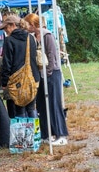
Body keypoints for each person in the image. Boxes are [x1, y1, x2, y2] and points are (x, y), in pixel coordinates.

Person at [25, 12, 69, 146]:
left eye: (27, 24)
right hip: (40, 75)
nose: (26, 27)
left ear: (32, 24)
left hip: (52, 74)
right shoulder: (33, 37)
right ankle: (45, 134)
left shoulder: (47, 35)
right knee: (42, 106)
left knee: (54, 105)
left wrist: (48, 72)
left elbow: (52, 57)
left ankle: (61, 135)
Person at [0, 14, 40, 118]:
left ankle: (21, 134)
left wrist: (4, 82)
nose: (5, 31)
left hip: (17, 82)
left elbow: (7, 64)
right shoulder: (30, 38)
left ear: (12, 25)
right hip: (33, 79)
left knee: (19, 110)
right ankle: (35, 133)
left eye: (6, 28)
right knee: (31, 108)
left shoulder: (9, 40)